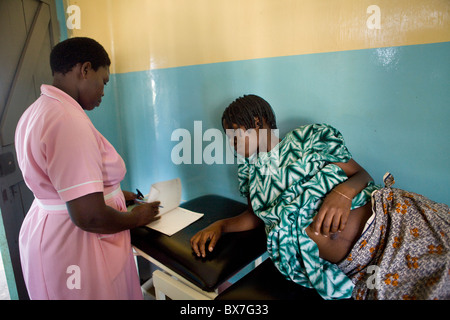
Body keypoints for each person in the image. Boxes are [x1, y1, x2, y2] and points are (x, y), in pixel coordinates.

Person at [191, 94, 449, 300]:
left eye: (233, 135)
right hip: (361, 267)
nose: (231, 144)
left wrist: (342, 194)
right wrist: (222, 225)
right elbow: (256, 217)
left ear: (257, 124)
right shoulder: (252, 176)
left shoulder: (307, 139)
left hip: (390, 225)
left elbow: (361, 175)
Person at [15, 37, 160, 299]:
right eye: (103, 81)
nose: (104, 91)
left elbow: (60, 184)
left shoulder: (38, 110)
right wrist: (136, 218)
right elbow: (89, 216)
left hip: (47, 234)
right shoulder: (68, 120)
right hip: (76, 245)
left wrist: (116, 194)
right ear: (85, 70)